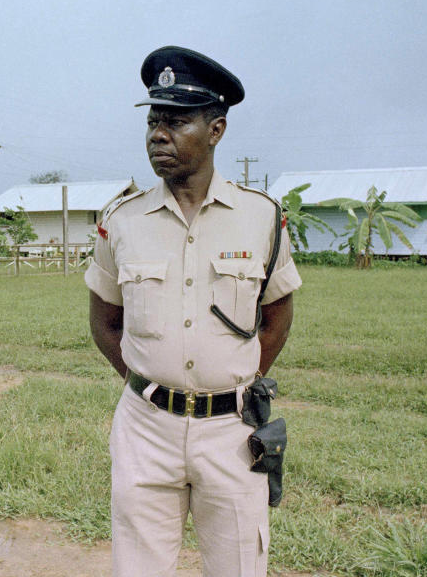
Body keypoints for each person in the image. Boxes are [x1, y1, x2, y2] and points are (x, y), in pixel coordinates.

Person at [85, 46, 302, 577]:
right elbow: (104, 322)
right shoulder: (122, 220)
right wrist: (153, 387)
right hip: (145, 429)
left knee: (238, 567)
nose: (159, 134)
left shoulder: (262, 217)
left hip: (231, 432)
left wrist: (231, 383)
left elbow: (276, 317)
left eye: (177, 121)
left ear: (216, 130)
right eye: (154, 121)